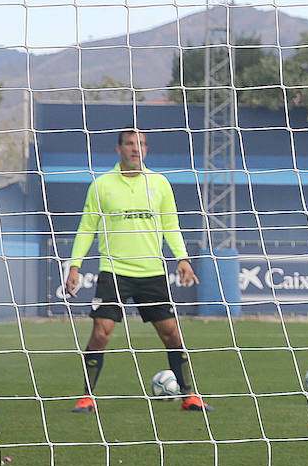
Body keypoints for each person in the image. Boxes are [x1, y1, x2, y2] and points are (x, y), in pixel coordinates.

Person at [64, 128, 211, 413]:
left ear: (146, 149)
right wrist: (75, 265)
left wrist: (182, 258)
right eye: (130, 144)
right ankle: (87, 397)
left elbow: (171, 224)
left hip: (151, 272)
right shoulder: (102, 185)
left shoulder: (159, 183)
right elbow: (87, 227)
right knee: (101, 332)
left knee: (171, 334)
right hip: (113, 271)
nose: (136, 149)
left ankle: (189, 396)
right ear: (119, 149)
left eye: (141, 144)